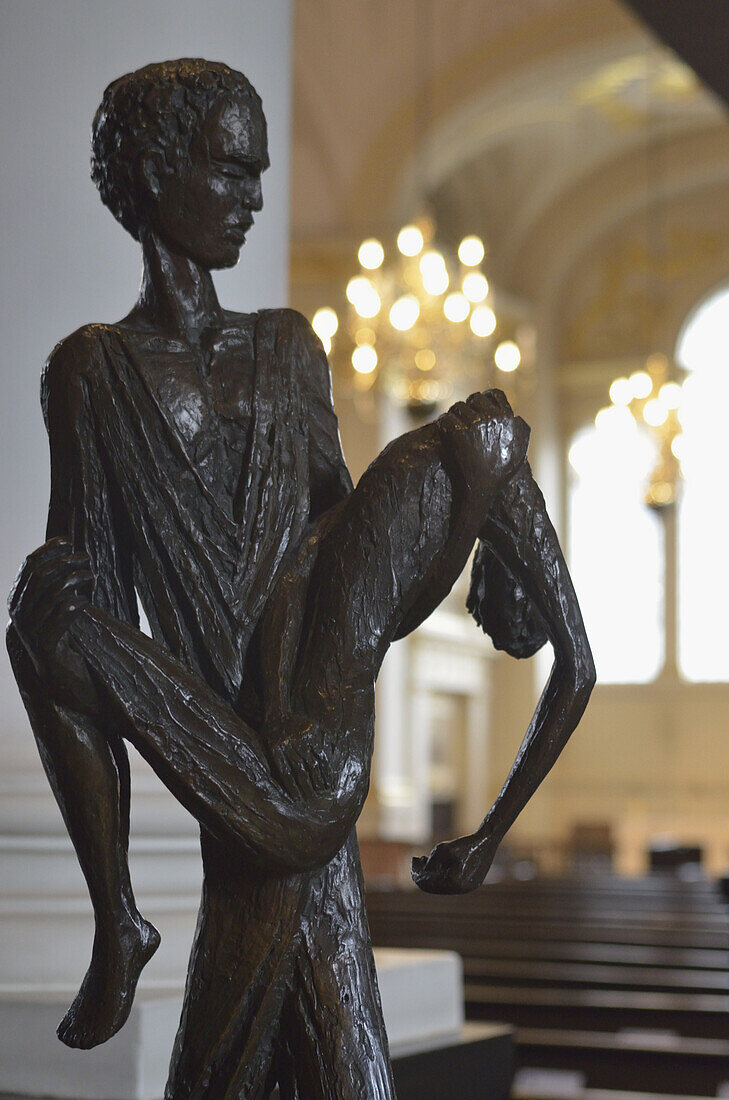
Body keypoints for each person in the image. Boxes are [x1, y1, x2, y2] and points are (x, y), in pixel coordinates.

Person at [7, 59, 595, 1099]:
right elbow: (88, 585)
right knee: (47, 608)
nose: (253, 198)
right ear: (152, 173)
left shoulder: (289, 348)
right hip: (219, 741)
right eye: (230, 171)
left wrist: (458, 537)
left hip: (298, 754)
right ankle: (118, 918)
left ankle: (121, 927)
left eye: (260, 173)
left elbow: (341, 552)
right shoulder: (94, 372)